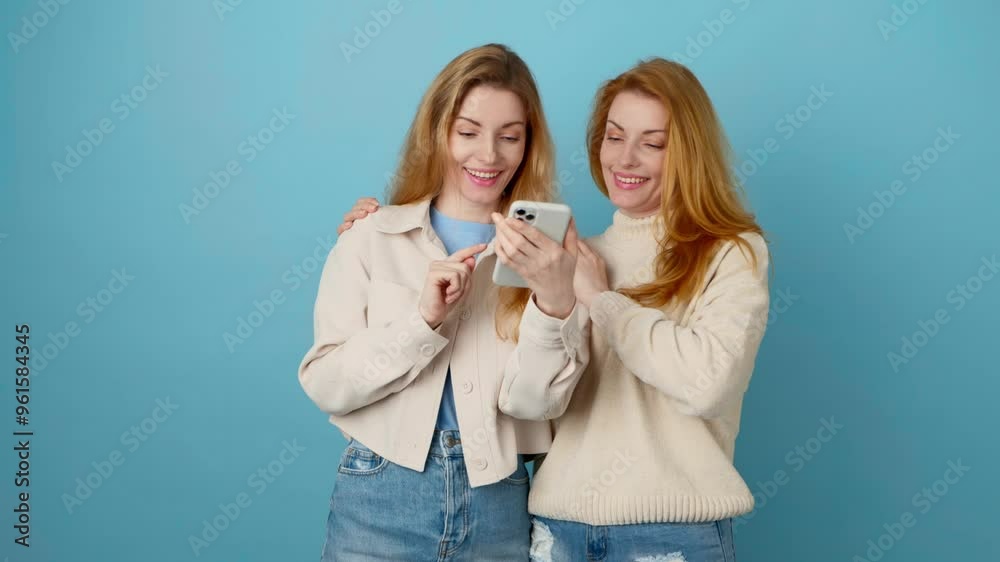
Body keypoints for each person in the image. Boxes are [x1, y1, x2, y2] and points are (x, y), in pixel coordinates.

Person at [338, 57, 771, 562]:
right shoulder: (566, 258)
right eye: (614, 137)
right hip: (556, 531)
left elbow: (707, 384)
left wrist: (601, 301)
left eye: (653, 144)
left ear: (689, 153)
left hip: (671, 533)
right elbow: (530, 401)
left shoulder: (731, 252)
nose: (626, 159)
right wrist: (380, 231)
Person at [298, 43, 589, 561]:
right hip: (380, 494)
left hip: (499, 498)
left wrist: (553, 301)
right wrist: (422, 321)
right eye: (468, 131)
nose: (489, 156)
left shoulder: (552, 256)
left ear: (529, 144)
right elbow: (327, 385)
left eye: (509, 136)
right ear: (438, 132)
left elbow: (536, 406)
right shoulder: (372, 237)